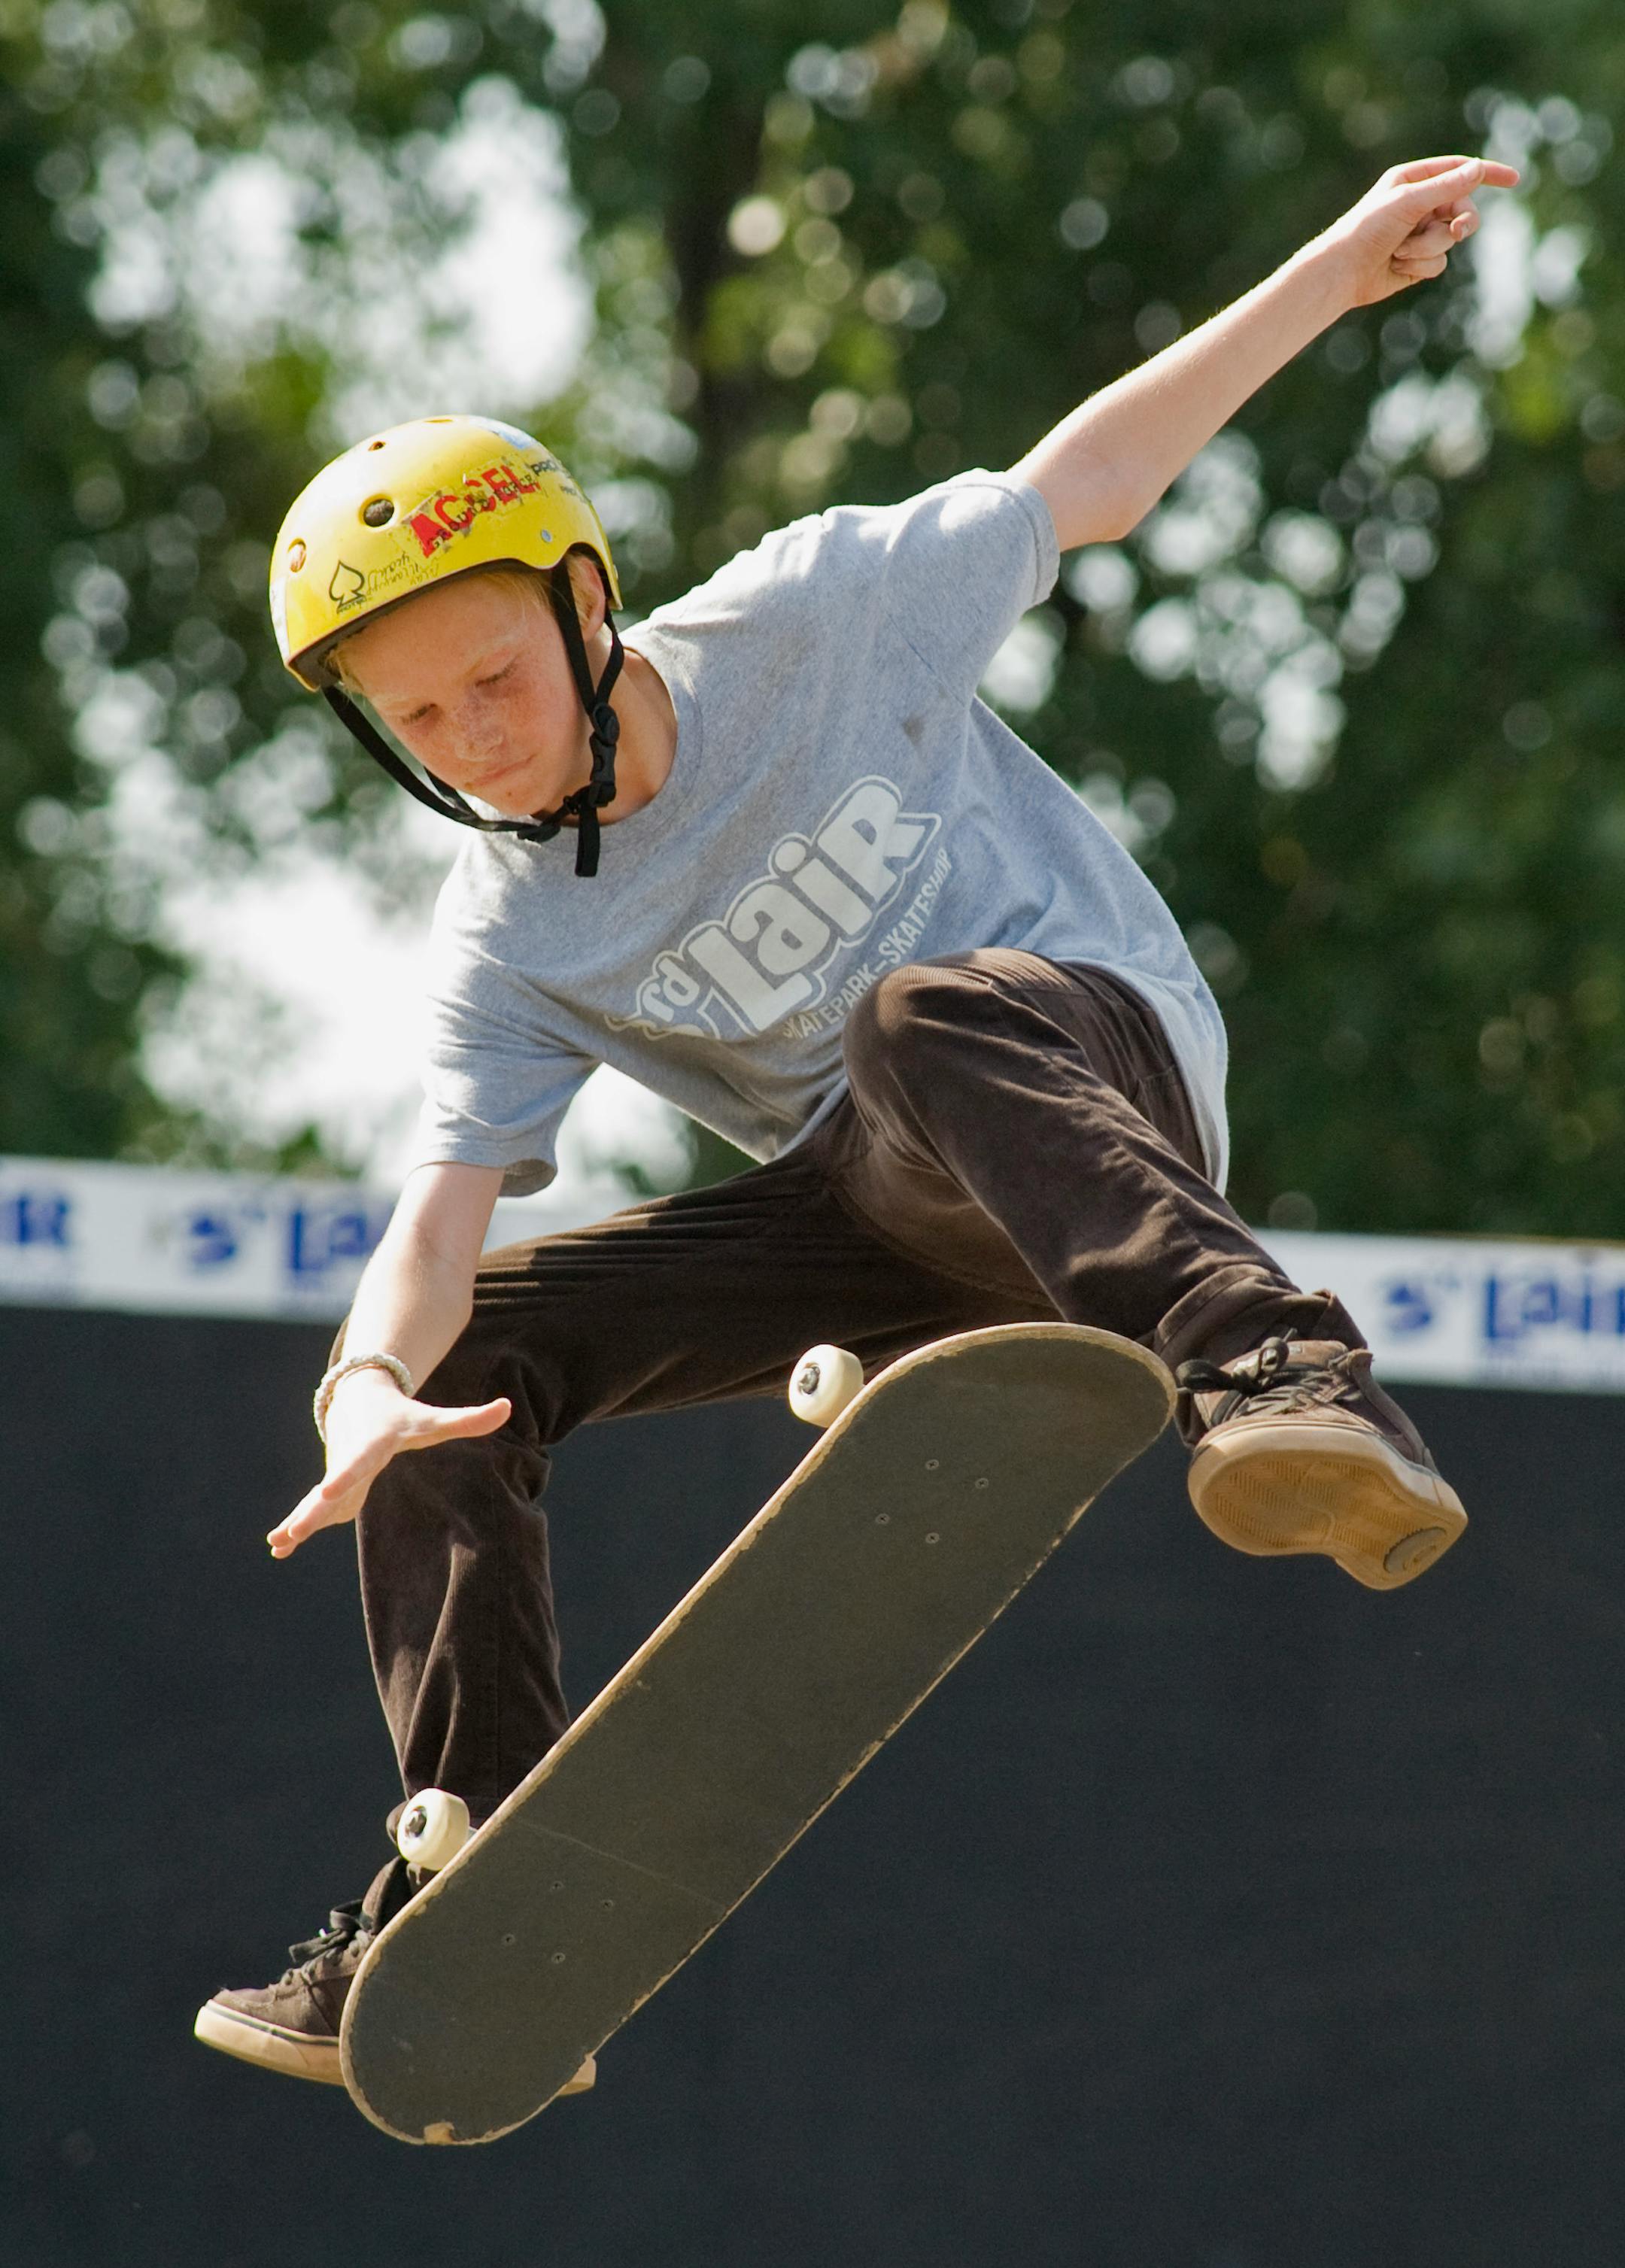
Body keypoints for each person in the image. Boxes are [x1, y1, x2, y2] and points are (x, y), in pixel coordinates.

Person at [195, 153, 1518, 2086]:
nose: (475, 742)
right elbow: (436, 1205)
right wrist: (362, 1396)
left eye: (492, 681)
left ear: (586, 603)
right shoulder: (508, 937)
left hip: (1087, 1083)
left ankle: (1286, 1372)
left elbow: (1096, 475)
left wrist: (1332, 270)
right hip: (881, 1210)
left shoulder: (815, 621)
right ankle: (474, 1873)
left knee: (913, 1016)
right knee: (459, 1354)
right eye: (424, 726)